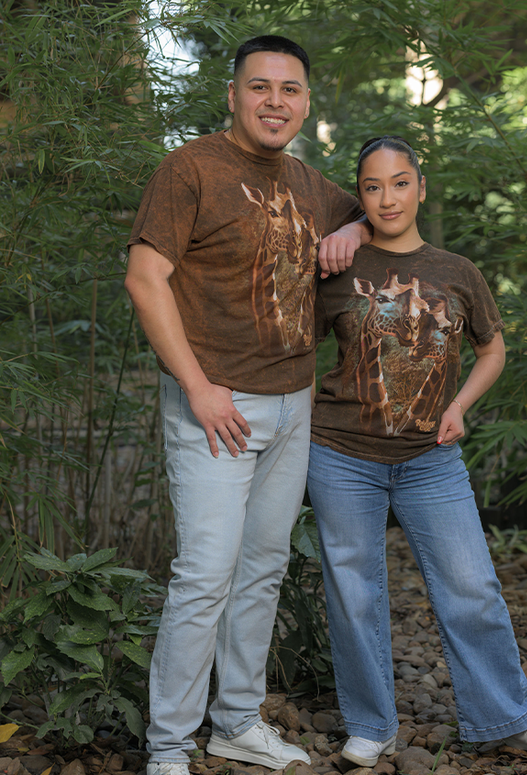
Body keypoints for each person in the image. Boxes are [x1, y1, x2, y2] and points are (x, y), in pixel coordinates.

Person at [124, 35, 370, 775]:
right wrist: (198, 387)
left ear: (303, 101)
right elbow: (145, 278)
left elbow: (368, 209)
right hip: (215, 406)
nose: (274, 101)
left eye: (289, 89)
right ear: (232, 95)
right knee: (206, 571)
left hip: (293, 403)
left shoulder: (307, 181)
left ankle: (235, 721)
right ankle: (168, 746)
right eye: (259, 87)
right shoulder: (190, 167)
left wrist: (354, 225)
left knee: (261, 567)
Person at [306, 136, 527, 768]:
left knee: (471, 586)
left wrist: (458, 406)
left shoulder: (457, 271)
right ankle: (371, 726)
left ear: (420, 188)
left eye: (400, 183)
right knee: (354, 593)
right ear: (361, 195)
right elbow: (294, 351)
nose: (387, 197)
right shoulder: (339, 267)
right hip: (342, 455)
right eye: (372, 187)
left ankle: (506, 718)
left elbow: (493, 350)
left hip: (431, 459)